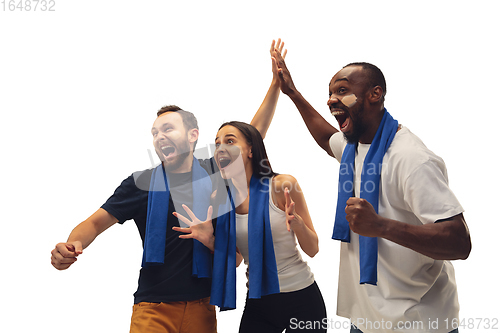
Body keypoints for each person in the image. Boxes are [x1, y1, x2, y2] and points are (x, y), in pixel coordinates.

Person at [50, 40, 287, 333]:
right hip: (153, 309)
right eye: (154, 132)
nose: (159, 136)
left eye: (168, 129)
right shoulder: (140, 184)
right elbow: (95, 223)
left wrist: (276, 86)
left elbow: (252, 134)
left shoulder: (214, 171)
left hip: (202, 307)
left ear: (192, 136)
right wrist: (72, 245)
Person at [270, 50, 471, 333]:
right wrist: (292, 93)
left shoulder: (410, 158)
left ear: (375, 94)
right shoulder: (355, 147)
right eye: (329, 93)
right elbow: (328, 139)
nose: (330, 100)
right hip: (366, 320)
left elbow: (459, 241)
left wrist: (379, 226)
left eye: (342, 90)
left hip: (420, 323)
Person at [174, 121, 327, 333]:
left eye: (230, 141)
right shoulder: (220, 200)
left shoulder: (282, 186)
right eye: (217, 144)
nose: (220, 149)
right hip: (259, 300)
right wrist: (210, 240)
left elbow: (313, 249)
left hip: (302, 298)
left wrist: (299, 226)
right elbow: (237, 260)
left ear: (251, 150)